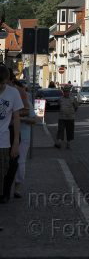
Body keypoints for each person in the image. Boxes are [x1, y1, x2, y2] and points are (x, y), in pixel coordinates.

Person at [8, 74, 36, 198]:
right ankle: (6, 187)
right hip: (8, 134)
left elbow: (34, 120)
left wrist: (20, 119)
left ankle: (18, 186)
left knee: (20, 161)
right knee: (7, 162)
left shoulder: (26, 102)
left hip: (23, 135)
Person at [0, 64, 23, 215]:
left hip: (4, 141)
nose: (0, 86)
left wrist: (15, 143)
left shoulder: (13, 93)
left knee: (4, 174)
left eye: (2, 83)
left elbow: (16, 118)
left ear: (7, 80)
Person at [55, 84, 78, 149]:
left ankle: (68, 143)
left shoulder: (73, 98)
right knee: (60, 130)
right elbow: (58, 106)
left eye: (67, 91)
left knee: (69, 131)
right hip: (62, 117)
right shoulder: (60, 99)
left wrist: (72, 112)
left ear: (69, 92)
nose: (66, 93)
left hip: (70, 117)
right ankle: (59, 143)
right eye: (64, 91)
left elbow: (76, 106)